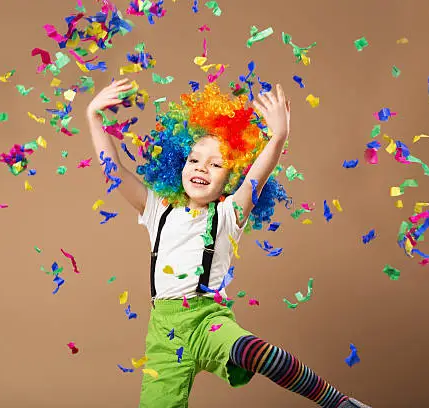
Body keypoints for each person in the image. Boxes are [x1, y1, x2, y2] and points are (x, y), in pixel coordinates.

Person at [86, 78, 371, 408]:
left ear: (231, 177)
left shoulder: (228, 214)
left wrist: (278, 135)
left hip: (207, 320)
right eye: (194, 160)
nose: (201, 168)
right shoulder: (157, 211)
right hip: (164, 335)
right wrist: (93, 115)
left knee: (253, 352)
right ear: (179, 164)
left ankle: (339, 403)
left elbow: (258, 176)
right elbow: (114, 171)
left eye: (215, 164)